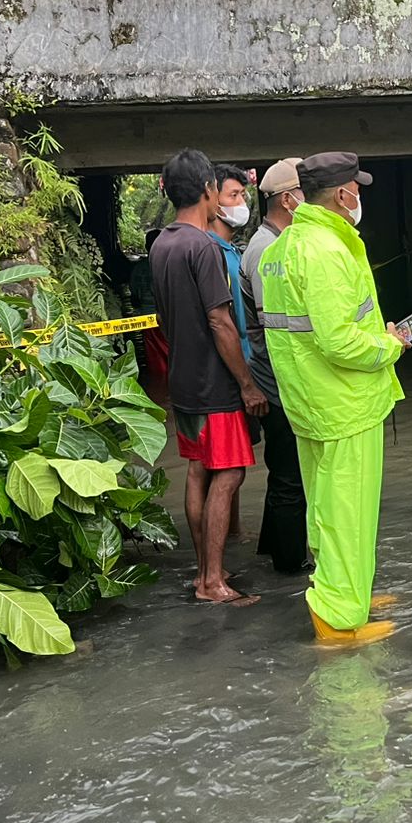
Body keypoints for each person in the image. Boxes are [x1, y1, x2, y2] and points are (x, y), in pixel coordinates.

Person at [264, 152, 409, 644]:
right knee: (349, 508)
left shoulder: (281, 249)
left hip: (309, 400)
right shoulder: (325, 250)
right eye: (357, 189)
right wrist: (392, 344)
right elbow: (340, 341)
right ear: (344, 194)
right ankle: (341, 618)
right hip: (346, 402)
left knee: (325, 507)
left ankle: (340, 591)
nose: (359, 197)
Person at [150, 148, 267, 607]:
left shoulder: (161, 242)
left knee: (198, 470)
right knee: (230, 473)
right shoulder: (202, 247)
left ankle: (205, 569)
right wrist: (247, 383)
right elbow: (221, 321)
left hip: (181, 380)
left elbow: (163, 318)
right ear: (207, 190)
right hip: (214, 382)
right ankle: (211, 580)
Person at [242, 159, 310, 574]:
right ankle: (290, 564)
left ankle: (274, 547)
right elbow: (278, 327)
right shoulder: (269, 250)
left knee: (282, 471)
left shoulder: (266, 243)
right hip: (280, 380)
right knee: (291, 476)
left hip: (276, 377)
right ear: (288, 199)